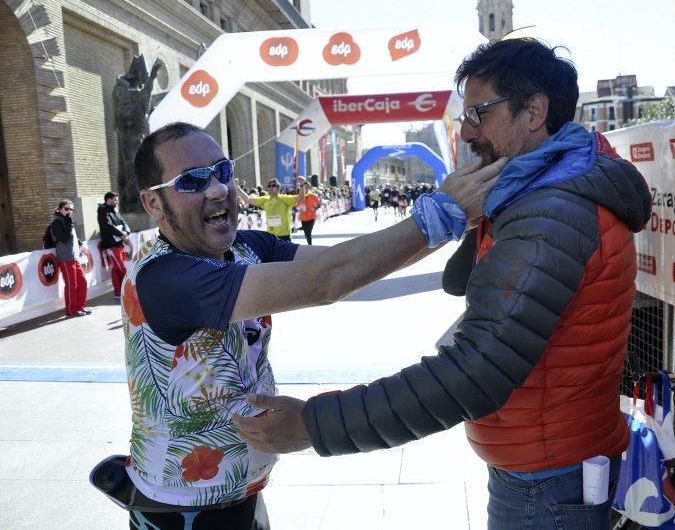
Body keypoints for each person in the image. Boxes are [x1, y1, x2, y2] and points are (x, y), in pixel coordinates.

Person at [234, 37, 652, 530]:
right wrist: (473, 213)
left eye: (480, 113)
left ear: (534, 111)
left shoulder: (551, 212)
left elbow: (473, 374)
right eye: (464, 116)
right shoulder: (535, 189)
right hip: (544, 463)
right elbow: (463, 282)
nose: (469, 132)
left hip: (548, 482)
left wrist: (313, 425)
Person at [121, 121, 503, 529]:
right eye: (193, 181)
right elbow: (327, 280)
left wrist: (455, 222)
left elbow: (350, 264)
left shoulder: (248, 246)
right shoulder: (164, 278)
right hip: (180, 507)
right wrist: (443, 212)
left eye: (223, 172)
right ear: (154, 204)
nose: (217, 189)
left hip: (238, 493)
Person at [47, 200, 91, 317]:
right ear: (60, 209)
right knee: (72, 284)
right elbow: (63, 239)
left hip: (74, 257)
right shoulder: (57, 222)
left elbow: (73, 238)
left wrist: (81, 245)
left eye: (71, 209)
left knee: (83, 282)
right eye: (66, 209)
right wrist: (68, 223)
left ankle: (80, 307)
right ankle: (71, 311)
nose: (69, 212)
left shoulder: (67, 221)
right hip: (65, 258)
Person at [97, 191, 131, 299]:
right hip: (111, 245)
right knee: (120, 268)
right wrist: (121, 234)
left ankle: (121, 290)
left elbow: (123, 222)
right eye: (115, 199)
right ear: (109, 200)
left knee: (118, 268)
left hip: (119, 244)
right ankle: (120, 291)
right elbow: (108, 225)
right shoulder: (103, 211)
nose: (117, 201)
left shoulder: (114, 211)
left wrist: (126, 232)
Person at [295, 177, 320, 245]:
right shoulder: (299, 197)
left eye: (306, 187)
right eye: (304, 187)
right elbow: (294, 207)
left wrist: (314, 208)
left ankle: (310, 245)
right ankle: (308, 242)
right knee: (306, 233)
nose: (305, 189)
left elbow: (319, 205)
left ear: (309, 188)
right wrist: (298, 209)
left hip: (311, 217)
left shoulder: (313, 196)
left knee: (308, 232)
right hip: (303, 218)